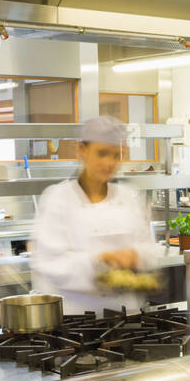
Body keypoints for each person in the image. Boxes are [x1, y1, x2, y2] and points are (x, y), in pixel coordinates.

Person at [30, 115, 160, 315]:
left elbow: (148, 251)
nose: (109, 162)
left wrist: (135, 256)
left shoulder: (128, 199)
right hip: (75, 322)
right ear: (81, 150)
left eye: (116, 155)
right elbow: (50, 263)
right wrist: (101, 261)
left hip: (126, 318)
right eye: (102, 153)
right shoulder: (58, 198)